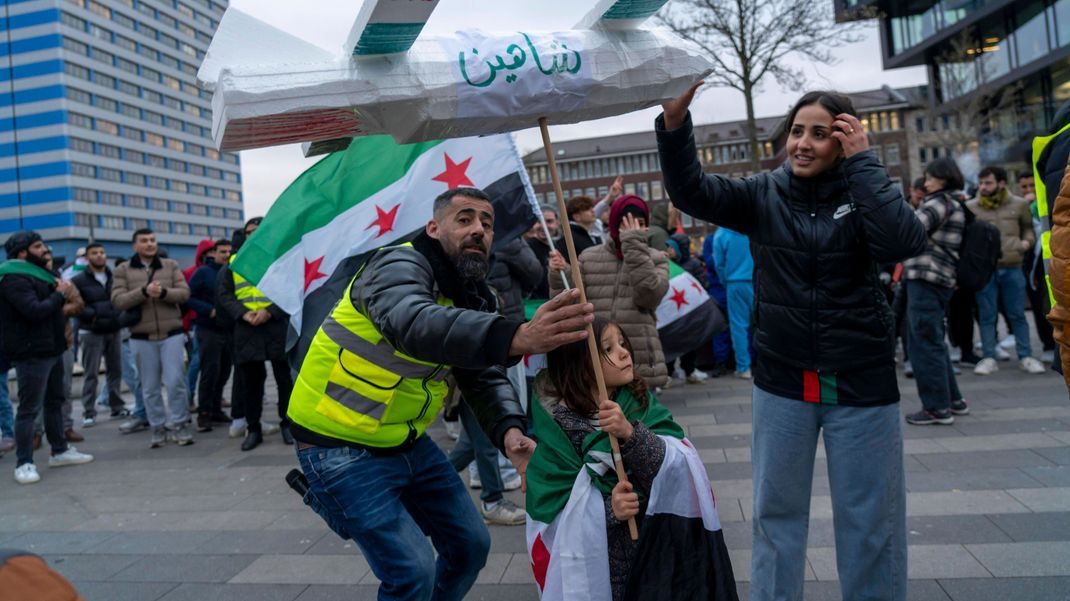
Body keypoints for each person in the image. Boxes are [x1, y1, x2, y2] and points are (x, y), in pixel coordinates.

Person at [658, 86, 927, 601]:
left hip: (861, 384)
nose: (802, 144)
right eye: (797, 131)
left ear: (844, 140)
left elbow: (903, 242)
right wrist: (675, 123)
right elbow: (691, 191)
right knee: (774, 520)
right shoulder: (762, 193)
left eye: (820, 134)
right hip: (782, 382)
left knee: (871, 525)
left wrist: (865, 163)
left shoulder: (864, 193)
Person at [288, 186, 594, 601]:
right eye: (464, 219)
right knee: (412, 571)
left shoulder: (471, 294)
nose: (478, 230)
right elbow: (413, 322)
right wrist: (517, 335)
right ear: (433, 228)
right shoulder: (395, 264)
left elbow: (480, 375)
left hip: (406, 443)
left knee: (471, 546)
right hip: (338, 447)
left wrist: (510, 432)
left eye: (487, 223)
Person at [528, 316, 737, 601]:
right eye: (609, 349)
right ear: (579, 362)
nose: (625, 352)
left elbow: (677, 467)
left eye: (622, 344)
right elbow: (554, 514)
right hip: (600, 566)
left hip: (655, 551)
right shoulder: (556, 430)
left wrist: (629, 432)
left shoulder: (640, 403)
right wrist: (609, 510)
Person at [2, 231, 94, 484]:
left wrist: (59, 294)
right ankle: (24, 463)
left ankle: (60, 450)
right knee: (29, 409)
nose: (45, 250)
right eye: (38, 246)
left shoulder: (45, 274)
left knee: (55, 400)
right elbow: (33, 311)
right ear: (22, 253)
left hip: (53, 347)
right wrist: (59, 294)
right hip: (31, 352)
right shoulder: (13, 277)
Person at [550, 195, 670, 389]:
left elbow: (648, 297)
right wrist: (560, 274)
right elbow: (570, 303)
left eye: (640, 224)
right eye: (627, 223)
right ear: (615, 223)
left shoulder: (656, 258)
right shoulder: (589, 257)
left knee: (640, 418)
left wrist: (634, 246)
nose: (634, 230)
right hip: (598, 356)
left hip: (637, 356)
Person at [901, 159, 970, 425]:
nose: (926, 183)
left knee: (923, 342)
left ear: (944, 178)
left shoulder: (940, 202)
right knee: (934, 340)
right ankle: (953, 399)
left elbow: (909, 229)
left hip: (927, 276)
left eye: (930, 177)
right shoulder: (954, 201)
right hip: (940, 279)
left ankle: (936, 407)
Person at [112, 228, 193, 448]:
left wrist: (164, 293)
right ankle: (157, 426)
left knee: (176, 381)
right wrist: (143, 292)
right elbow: (118, 300)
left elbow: (184, 293)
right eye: (144, 241)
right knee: (149, 386)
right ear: (134, 246)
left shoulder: (170, 265)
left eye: (153, 240)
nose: (149, 244)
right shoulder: (123, 269)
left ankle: (180, 423)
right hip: (141, 336)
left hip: (172, 334)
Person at [967, 166, 1045, 375]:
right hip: (986, 271)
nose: (983, 187)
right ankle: (989, 357)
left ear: (1001, 183)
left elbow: (1028, 228)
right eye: (981, 183)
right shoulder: (971, 207)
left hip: (1013, 266)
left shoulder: (1019, 205)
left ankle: (1026, 355)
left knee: (1017, 314)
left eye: (988, 183)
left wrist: (1026, 242)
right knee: (987, 315)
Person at [71, 243, 128, 427]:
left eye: (102, 252)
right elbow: (76, 305)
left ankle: (116, 406)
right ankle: (89, 412)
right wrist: (93, 317)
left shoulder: (114, 277)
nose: (99, 256)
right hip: (91, 331)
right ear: (87, 258)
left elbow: (121, 297)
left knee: (115, 370)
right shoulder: (79, 280)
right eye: (94, 253)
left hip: (113, 328)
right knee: (91, 373)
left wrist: (118, 317)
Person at [187, 239, 234, 432]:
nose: (226, 255)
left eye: (229, 252)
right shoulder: (203, 273)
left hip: (229, 329)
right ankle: (204, 413)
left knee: (224, 371)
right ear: (213, 253)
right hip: (208, 329)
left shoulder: (233, 271)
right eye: (222, 251)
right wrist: (208, 310)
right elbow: (189, 297)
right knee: (209, 371)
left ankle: (216, 408)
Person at [1019, 172, 1056, 363]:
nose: (1028, 190)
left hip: (1050, 259)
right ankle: (1047, 344)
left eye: (1032, 186)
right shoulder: (1020, 208)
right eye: (1024, 187)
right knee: (1039, 305)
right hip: (1032, 264)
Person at [712, 226, 754, 379]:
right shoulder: (753, 227)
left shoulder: (721, 234)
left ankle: (744, 368)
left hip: (735, 283)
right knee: (764, 325)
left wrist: (725, 280)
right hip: (758, 280)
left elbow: (719, 263)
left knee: (739, 326)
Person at [182, 239, 216, 411]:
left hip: (215, 324)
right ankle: (189, 396)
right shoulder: (191, 272)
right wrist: (185, 326)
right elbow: (187, 299)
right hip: (198, 323)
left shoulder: (216, 270)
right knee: (196, 361)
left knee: (214, 365)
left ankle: (214, 398)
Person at [527, 206, 563, 300]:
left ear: (557, 223)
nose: (543, 225)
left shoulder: (560, 247)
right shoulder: (527, 248)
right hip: (536, 303)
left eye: (549, 221)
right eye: (539, 221)